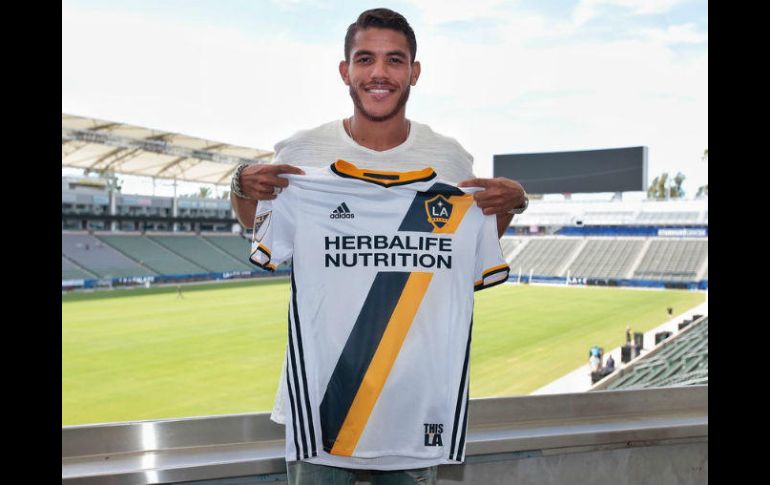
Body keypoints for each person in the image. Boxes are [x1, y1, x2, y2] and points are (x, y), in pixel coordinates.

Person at [230, 8, 527, 485]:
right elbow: (257, 227)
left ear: (415, 71)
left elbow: (471, 246)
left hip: (416, 404)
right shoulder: (301, 154)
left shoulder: (451, 159)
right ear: (345, 70)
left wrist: (513, 203)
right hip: (323, 402)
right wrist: (240, 183)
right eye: (365, 59)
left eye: (395, 60)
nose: (379, 73)